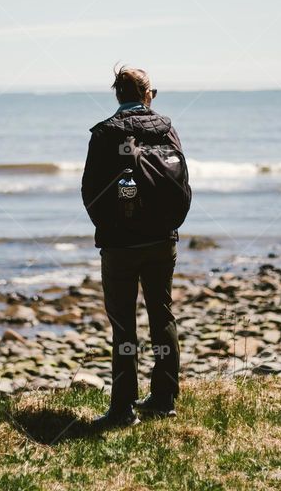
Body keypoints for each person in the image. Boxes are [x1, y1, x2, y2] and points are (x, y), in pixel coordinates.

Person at [81, 65, 192, 428]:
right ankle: (164, 398)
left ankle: (123, 409)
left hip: (120, 246)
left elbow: (91, 192)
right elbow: (182, 182)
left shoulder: (105, 133)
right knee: (162, 315)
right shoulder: (166, 127)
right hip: (163, 239)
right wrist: (169, 225)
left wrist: (111, 229)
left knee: (123, 325)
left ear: (118, 95)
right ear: (148, 95)